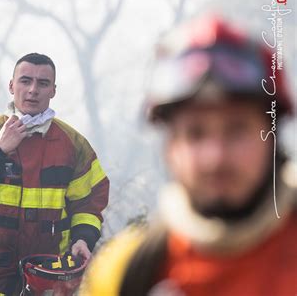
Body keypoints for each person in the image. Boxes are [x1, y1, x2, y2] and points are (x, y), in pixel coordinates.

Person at [80, 17, 296, 296]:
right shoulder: (124, 276)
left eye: (237, 130)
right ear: (169, 145)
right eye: (195, 133)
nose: (215, 157)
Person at [0, 53, 109, 295]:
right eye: (25, 81)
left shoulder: (73, 144)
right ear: (11, 86)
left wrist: (83, 239)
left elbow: (89, 203)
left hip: (48, 279)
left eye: (43, 83)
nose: (33, 90)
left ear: (53, 90)